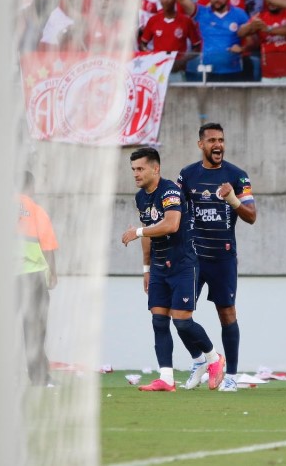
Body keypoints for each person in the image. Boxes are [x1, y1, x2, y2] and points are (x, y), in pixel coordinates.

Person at [121, 147, 225, 392]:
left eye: (140, 168)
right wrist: (146, 268)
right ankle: (166, 378)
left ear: (155, 169)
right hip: (158, 266)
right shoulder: (141, 197)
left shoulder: (170, 191)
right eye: (133, 169)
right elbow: (149, 232)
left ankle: (213, 358)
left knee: (182, 321)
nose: (136, 174)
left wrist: (136, 231)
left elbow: (171, 224)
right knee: (159, 321)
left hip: (182, 265)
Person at [176, 123, 256, 393]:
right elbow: (174, 213)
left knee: (227, 314)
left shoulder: (237, 175)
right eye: (211, 140)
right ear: (201, 145)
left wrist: (233, 199)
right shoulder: (187, 175)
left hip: (223, 258)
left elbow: (251, 216)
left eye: (221, 139)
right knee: (180, 316)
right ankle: (202, 360)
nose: (217, 144)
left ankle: (231, 376)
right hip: (194, 258)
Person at [16, 171, 58, 387]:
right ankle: (38, 376)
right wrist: (53, 273)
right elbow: (48, 246)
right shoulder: (36, 210)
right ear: (31, 187)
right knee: (35, 328)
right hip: (32, 277)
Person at [177, 0, 256, 81]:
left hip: (233, 71)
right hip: (208, 71)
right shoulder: (202, 13)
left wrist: (242, 48)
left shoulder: (240, 14)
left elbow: (252, 41)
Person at [139, 0, 203, 82]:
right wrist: (152, 57)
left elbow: (197, 47)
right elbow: (143, 44)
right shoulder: (153, 20)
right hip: (158, 70)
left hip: (177, 70)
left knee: (179, 96)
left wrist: (182, 60)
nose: (165, 1)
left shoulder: (186, 21)